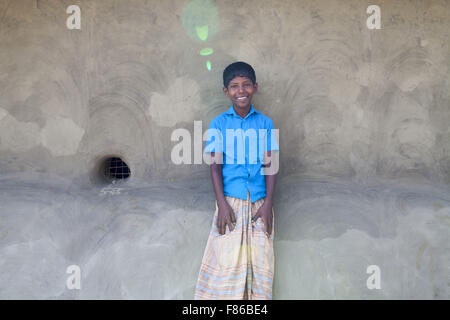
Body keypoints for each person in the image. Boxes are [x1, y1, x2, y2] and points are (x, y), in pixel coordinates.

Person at [194, 61, 279, 300]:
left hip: (260, 204)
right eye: (234, 86)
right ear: (226, 91)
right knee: (228, 268)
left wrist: (268, 204)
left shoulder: (265, 123)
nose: (241, 91)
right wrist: (222, 204)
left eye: (246, 85)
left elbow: (271, 165)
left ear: (255, 87)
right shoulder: (219, 124)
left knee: (261, 265)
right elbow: (215, 167)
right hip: (231, 203)